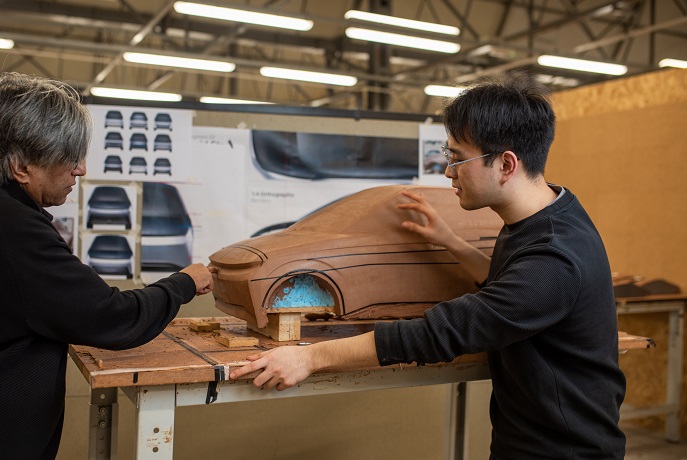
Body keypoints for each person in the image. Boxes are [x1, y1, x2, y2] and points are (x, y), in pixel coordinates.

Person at [230, 73, 626, 459]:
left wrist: (309, 357)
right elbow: (505, 283)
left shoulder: (554, 257)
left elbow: (441, 334)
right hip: (532, 435)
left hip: (561, 448)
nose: (449, 171)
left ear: (506, 164)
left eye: (457, 158)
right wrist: (448, 241)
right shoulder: (547, 216)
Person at [0, 72, 214, 458]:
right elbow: (115, 319)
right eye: (69, 157)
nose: (81, 169)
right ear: (20, 166)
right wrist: (185, 282)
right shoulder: (9, 228)